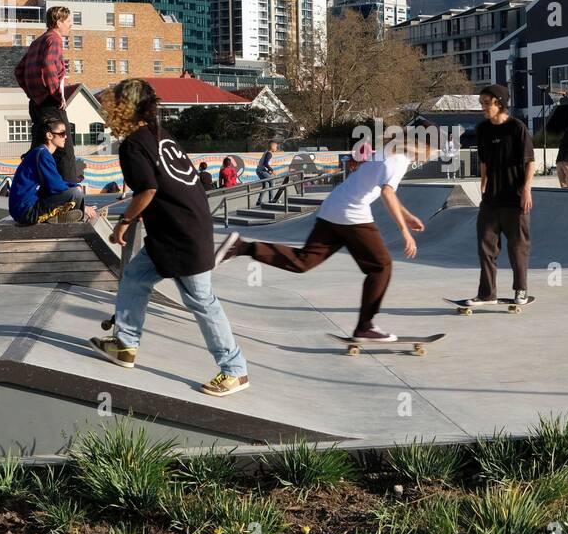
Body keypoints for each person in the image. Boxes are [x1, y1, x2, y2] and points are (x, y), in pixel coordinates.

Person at [89, 79, 249, 397]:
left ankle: (235, 370)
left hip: (181, 235)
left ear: (126, 110)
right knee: (135, 277)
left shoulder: (134, 144)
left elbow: (148, 189)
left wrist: (124, 222)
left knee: (202, 301)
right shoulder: (161, 137)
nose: (108, 112)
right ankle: (125, 345)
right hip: (183, 229)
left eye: (113, 106)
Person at [218, 136, 428, 341]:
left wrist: (407, 216)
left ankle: (243, 247)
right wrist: (404, 231)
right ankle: (365, 326)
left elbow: (383, 189)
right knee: (381, 266)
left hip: (333, 208)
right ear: (421, 146)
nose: (432, 155)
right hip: (352, 214)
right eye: (432, 150)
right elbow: (388, 193)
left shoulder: (387, 154)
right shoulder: (399, 160)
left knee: (303, 261)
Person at [468, 84, 535, 306]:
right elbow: (485, 161)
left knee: (517, 247)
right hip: (491, 200)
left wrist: (526, 190)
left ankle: (521, 291)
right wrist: (483, 184)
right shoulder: (483, 129)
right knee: (485, 246)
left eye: (487, 103)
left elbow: (530, 162)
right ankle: (487, 294)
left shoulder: (517, 128)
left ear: (500, 102)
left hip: (515, 199)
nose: (483, 108)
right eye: (482, 104)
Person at [15, 5, 80, 183]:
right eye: (68, 21)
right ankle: (71, 198)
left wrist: (33, 93)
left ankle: (32, 188)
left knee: (39, 150)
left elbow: (19, 70)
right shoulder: (54, 39)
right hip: (51, 105)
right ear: (58, 22)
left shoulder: (38, 42)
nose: (71, 25)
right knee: (65, 151)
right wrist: (56, 95)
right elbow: (49, 65)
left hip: (36, 105)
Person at [8, 115, 95, 225]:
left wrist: (74, 186)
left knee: (76, 189)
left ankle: (61, 216)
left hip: (25, 209)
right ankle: (74, 217)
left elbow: (53, 184)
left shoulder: (40, 152)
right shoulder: (42, 154)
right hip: (26, 212)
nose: (66, 137)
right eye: (62, 133)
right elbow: (55, 186)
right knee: (75, 194)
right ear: (49, 135)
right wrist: (84, 207)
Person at [255, 140, 280, 206]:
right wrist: (272, 170)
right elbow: (265, 163)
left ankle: (259, 201)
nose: (276, 149)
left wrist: (268, 170)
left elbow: (264, 163)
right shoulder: (269, 153)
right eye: (276, 147)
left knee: (265, 186)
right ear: (272, 147)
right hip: (261, 171)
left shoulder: (266, 152)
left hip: (259, 170)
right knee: (272, 181)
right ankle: (271, 199)